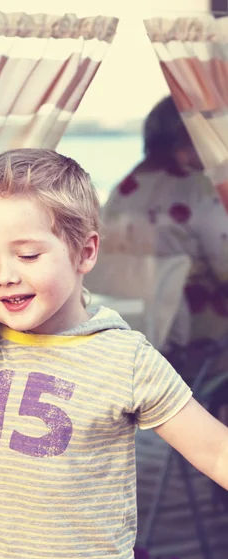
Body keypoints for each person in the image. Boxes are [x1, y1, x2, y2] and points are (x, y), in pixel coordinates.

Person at [0, 148, 228, 559]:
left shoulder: (123, 355)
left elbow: (213, 451)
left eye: (28, 255)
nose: (5, 276)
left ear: (84, 252)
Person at [103, 96, 228, 376]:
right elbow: (224, 266)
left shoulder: (125, 186)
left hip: (134, 320)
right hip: (187, 325)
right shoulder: (199, 189)